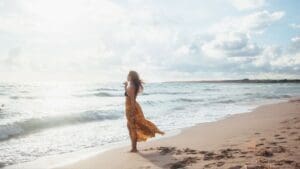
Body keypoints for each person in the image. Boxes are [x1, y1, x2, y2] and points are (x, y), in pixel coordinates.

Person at [124, 70, 164, 152]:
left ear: (131, 76)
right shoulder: (130, 85)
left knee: (132, 127)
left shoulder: (131, 86)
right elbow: (128, 96)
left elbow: (132, 100)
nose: (127, 76)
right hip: (131, 107)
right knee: (130, 127)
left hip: (131, 108)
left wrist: (132, 112)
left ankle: (134, 148)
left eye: (128, 75)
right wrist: (125, 87)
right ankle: (133, 147)